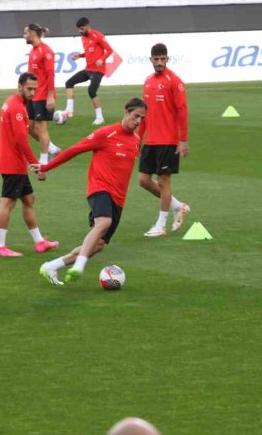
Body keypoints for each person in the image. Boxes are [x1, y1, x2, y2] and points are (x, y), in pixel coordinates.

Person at [38, 98, 147, 285]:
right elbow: (74, 150)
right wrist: (46, 167)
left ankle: (51, 266)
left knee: (98, 245)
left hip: (119, 199)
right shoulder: (106, 133)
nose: (138, 121)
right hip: (100, 188)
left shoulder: (136, 141)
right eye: (136, 116)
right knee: (104, 222)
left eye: (142, 118)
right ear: (126, 112)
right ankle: (79, 265)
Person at [0, 72, 59, 257]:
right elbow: (22, 141)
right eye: (29, 89)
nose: (32, 93)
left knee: (29, 199)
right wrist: (37, 165)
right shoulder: (18, 109)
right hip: (12, 163)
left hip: (13, 162)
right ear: (19, 86)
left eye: (35, 89)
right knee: (8, 202)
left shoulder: (11, 102)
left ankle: (39, 242)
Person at [137, 43, 191, 237]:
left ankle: (161, 225)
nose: (159, 62)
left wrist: (182, 139)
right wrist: (138, 137)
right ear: (151, 59)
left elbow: (182, 111)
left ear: (167, 59)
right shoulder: (148, 81)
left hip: (168, 141)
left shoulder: (174, 81)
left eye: (162, 59)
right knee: (143, 180)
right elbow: (144, 113)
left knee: (163, 182)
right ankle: (178, 206)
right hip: (151, 140)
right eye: (156, 59)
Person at [64, 16, 113, 125]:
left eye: (82, 29)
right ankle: (69, 110)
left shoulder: (98, 36)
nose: (80, 31)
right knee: (69, 83)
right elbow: (88, 52)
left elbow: (109, 50)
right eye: (79, 29)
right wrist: (80, 56)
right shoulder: (83, 38)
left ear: (87, 26)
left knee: (91, 91)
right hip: (88, 69)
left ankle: (100, 117)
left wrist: (102, 59)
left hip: (98, 70)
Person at [23, 23, 61, 165]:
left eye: (26, 33)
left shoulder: (46, 51)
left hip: (43, 96)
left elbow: (50, 75)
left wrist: (50, 96)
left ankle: (44, 160)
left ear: (33, 33)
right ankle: (52, 148)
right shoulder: (33, 51)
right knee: (28, 127)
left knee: (41, 128)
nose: (24, 36)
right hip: (33, 96)